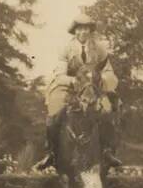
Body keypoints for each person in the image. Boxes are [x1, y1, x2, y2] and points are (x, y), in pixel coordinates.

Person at [36, 12, 121, 172]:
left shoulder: (100, 49)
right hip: (69, 86)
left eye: (87, 29)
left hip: (93, 87)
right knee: (55, 113)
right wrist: (74, 81)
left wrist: (99, 79)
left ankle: (107, 151)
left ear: (91, 31)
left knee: (107, 110)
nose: (83, 32)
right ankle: (51, 153)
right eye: (80, 29)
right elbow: (60, 74)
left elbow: (109, 72)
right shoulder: (66, 49)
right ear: (75, 31)